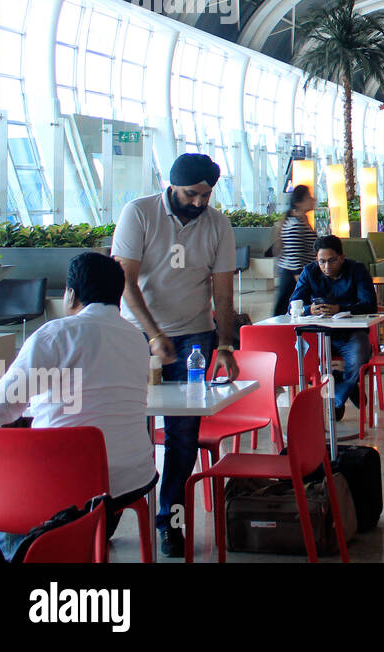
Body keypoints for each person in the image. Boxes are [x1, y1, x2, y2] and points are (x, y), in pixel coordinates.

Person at [0, 252, 155, 555]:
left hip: (70, 480)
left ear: (71, 294)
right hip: (131, 478)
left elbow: (1, 406)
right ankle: (77, 539)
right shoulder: (136, 338)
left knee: (0, 497)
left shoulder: (57, 334)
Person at [112, 152, 238, 558]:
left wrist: (224, 344)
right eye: (192, 193)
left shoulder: (218, 225)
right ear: (172, 185)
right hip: (137, 337)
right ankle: (111, 509)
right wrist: (153, 335)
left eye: (207, 194)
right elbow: (126, 283)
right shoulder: (139, 214)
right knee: (127, 428)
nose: (200, 202)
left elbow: (222, 291)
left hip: (195, 341)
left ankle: (171, 522)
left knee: (182, 437)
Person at [289, 235, 377, 422]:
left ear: (342, 257)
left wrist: (341, 309)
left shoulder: (357, 270)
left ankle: (335, 400)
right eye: (322, 261)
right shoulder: (309, 272)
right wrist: (308, 309)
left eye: (331, 261)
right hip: (318, 336)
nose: (326, 266)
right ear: (316, 260)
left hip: (351, 334)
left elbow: (370, 304)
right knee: (298, 357)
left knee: (360, 357)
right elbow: (293, 305)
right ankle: (350, 386)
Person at [272, 184, 316, 316]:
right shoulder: (295, 225)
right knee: (288, 310)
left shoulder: (302, 220)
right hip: (294, 276)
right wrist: (302, 281)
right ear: (299, 202)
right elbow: (295, 256)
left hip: (300, 274)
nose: (312, 200)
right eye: (308, 197)